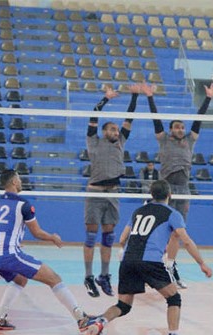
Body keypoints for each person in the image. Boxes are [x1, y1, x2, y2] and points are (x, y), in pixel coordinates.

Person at [80, 180, 213, 335]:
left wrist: (127, 252)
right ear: (170, 195)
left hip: (128, 260)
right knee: (174, 298)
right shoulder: (172, 214)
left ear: (151, 194)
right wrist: (202, 263)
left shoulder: (138, 211)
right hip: (150, 262)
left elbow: (123, 239)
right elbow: (187, 241)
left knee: (123, 305)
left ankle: (99, 322)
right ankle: (173, 333)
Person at [0, 169, 95, 332]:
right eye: (19, 178)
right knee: (54, 278)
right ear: (14, 182)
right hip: (9, 255)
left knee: (20, 279)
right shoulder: (24, 205)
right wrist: (53, 237)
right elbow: (36, 233)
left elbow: (3, 228)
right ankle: (81, 318)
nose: (21, 182)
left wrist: (15, 241)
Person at [140, 81, 213, 289]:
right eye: (177, 127)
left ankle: (171, 267)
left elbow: (198, 121)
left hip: (183, 190)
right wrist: (150, 97)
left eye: (182, 127)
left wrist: (208, 98)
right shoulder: (164, 139)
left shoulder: (190, 140)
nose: (180, 129)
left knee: (177, 232)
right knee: (158, 229)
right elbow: (155, 120)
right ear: (171, 129)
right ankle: (149, 266)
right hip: (165, 191)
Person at [83, 85, 139, 298]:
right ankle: (88, 276)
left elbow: (130, 118)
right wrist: (105, 99)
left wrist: (134, 95)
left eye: (117, 130)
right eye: (112, 129)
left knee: (109, 235)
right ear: (104, 131)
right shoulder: (93, 141)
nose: (116, 132)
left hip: (113, 193)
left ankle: (104, 276)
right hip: (95, 192)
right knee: (90, 236)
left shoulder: (121, 142)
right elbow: (93, 116)